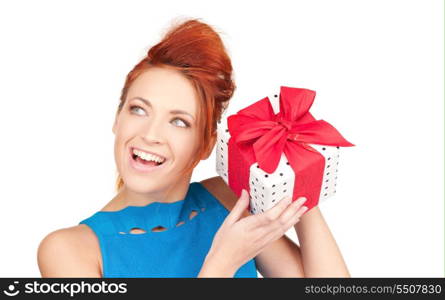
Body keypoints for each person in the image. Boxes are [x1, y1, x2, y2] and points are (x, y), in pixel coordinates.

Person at [37, 18, 350, 278]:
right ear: (117, 120)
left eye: (179, 122)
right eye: (139, 110)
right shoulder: (68, 250)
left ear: (206, 145)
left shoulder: (228, 202)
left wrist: (298, 169)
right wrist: (222, 264)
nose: (151, 135)